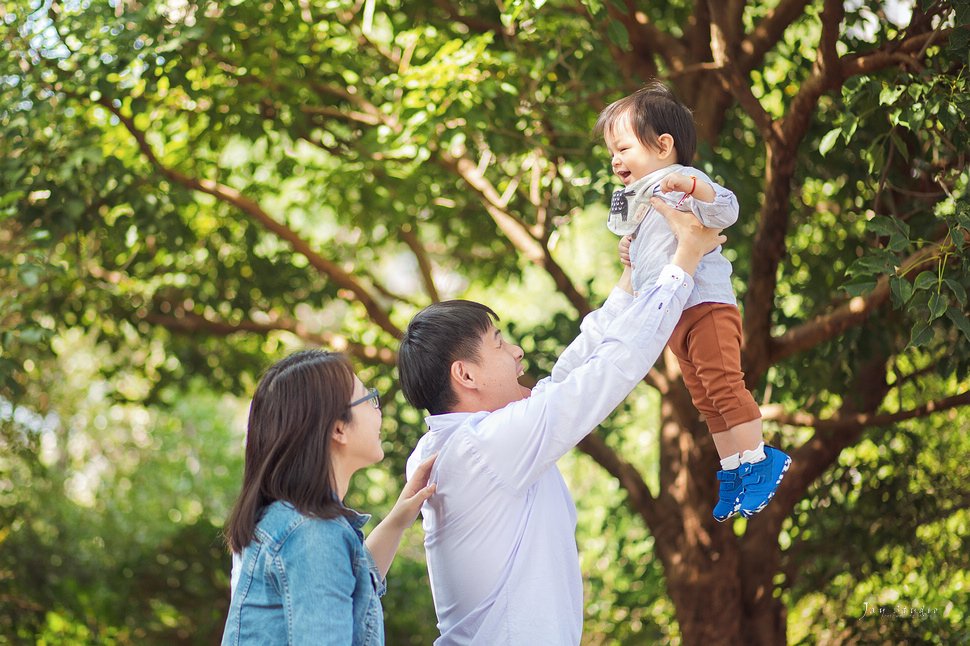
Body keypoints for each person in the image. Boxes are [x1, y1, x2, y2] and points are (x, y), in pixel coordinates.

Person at [398, 201, 724, 645]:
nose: (517, 352)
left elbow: (570, 375)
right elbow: (608, 372)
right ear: (466, 375)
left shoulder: (458, 442)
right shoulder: (483, 446)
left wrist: (630, 280)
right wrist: (685, 259)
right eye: (499, 344)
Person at [597, 81, 791, 521]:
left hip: (705, 304)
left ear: (664, 145)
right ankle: (733, 469)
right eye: (612, 151)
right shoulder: (640, 204)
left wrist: (693, 187)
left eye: (623, 148)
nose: (615, 160)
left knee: (724, 384)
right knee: (705, 399)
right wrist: (629, 254)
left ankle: (760, 459)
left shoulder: (685, 183)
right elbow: (649, 258)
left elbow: (727, 210)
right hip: (672, 315)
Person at [221, 349, 436, 645]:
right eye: (369, 398)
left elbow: (351, 584)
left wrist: (397, 521)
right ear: (338, 428)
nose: (379, 410)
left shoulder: (288, 522)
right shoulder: (313, 534)